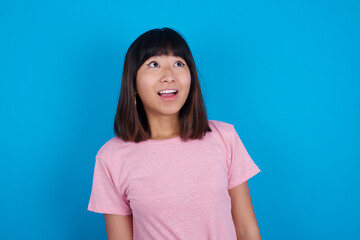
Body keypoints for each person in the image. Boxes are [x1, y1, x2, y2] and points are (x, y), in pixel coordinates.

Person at [88, 27, 261, 240]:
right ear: (132, 83)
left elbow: (246, 229)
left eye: (179, 63)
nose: (169, 76)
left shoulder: (224, 137)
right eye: (154, 64)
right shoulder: (111, 158)